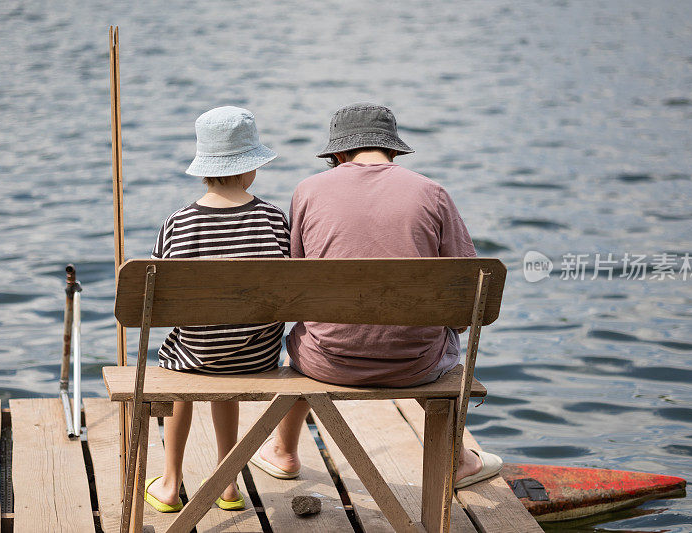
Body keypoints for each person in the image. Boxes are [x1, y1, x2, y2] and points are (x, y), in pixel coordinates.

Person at [249, 102, 502, 488]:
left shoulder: (307, 191)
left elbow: (295, 284)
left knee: (304, 334)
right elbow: (468, 291)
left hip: (325, 362)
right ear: (393, 150)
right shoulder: (432, 192)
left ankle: (283, 452)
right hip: (415, 365)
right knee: (442, 336)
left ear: (337, 153)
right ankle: (457, 458)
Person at [144, 106, 289, 512]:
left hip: (196, 355)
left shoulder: (179, 222)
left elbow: (163, 303)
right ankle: (228, 484)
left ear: (204, 167)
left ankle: (170, 484)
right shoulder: (274, 218)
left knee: (183, 357)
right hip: (257, 357)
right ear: (251, 168)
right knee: (232, 341)